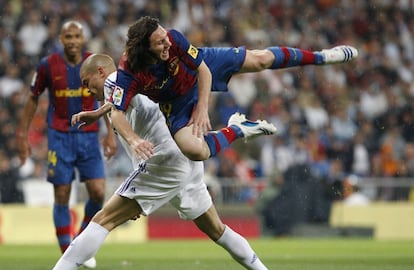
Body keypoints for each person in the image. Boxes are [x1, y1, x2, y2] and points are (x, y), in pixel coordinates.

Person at [12, 53, 291, 270]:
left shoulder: (112, 81)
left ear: (100, 72)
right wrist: (98, 112)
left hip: (163, 161)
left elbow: (118, 103)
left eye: (87, 83)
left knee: (103, 220)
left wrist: (132, 140)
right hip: (184, 160)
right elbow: (124, 101)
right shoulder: (129, 82)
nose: (87, 89)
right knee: (216, 230)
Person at [112, 16, 358, 161]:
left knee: (261, 59)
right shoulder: (129, 70)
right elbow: (116, 111)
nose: (168, 43)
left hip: (200, 68)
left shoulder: (174, 38)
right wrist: (133, 141)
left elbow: (203, 70)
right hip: (176, 101)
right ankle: (238, 129)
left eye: (165, 37)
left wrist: (202, 108)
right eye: (160, 42)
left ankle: (321, 57)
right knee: (195, 152)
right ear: (145, 48)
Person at [16, 21, 117, 268]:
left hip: (89, 135)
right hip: (60, 136)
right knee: (61, 194)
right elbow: (32, 98)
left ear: (83, 39)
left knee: (97, 191)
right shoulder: (48, 65)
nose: (72, 40)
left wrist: (110, 133)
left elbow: (105, 94)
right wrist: (22, 136)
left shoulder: (93, 64)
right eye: (68, 36)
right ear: (61, 39)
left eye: (77, 36)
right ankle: (67, 251)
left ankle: (78, 244)